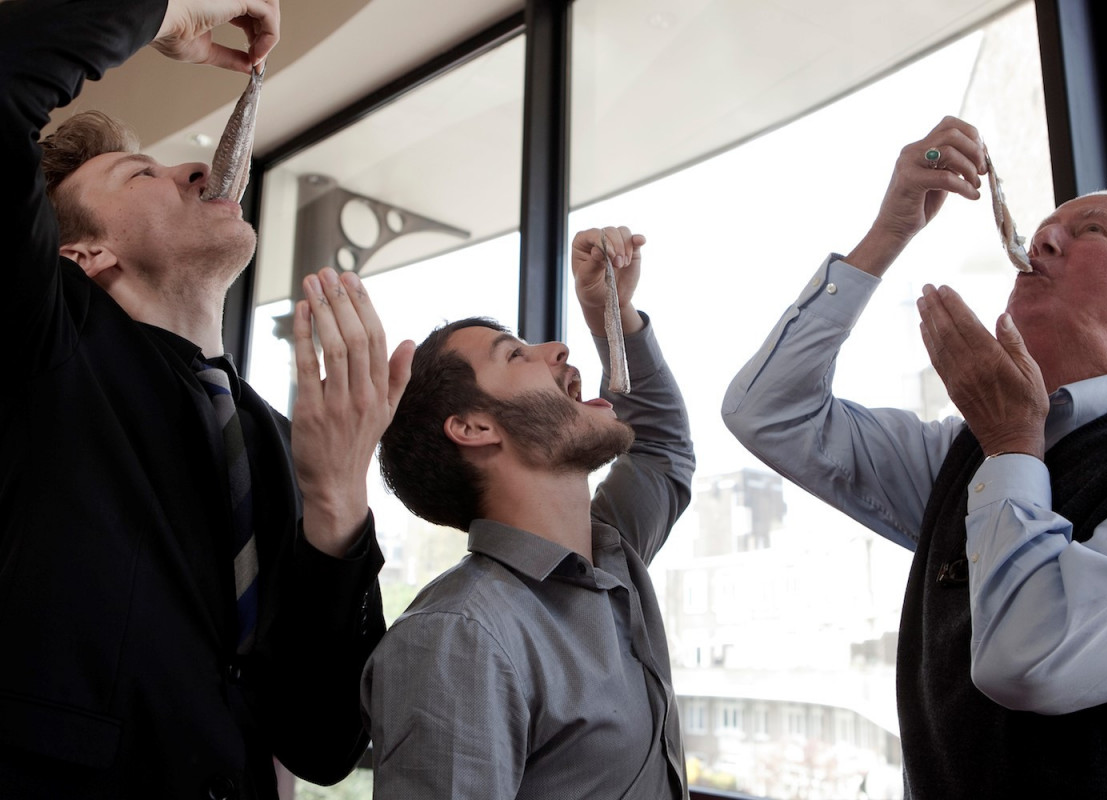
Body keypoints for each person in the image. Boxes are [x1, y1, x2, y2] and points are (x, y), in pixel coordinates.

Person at [0, 0, 412, 797]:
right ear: (83, 254)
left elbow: (324, 743)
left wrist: (337, 504)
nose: (196, 171)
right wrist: (167, 8)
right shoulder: (40, 346)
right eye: (141, 175)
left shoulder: (281, 441)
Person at [723, 115, 1107, 798]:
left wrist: (1011, 443)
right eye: (1043, 229)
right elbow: (768, 412)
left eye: (1091, 230)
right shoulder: (965, 453)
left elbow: (1030, 662)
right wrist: (888, 232)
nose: (1040, 239)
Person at [362, 226, 694, 799]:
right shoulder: (455, 639)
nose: (557, 349)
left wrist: (611, 314)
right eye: (515, 354)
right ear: (474, 427)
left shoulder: (612, 554)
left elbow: (660, 446)